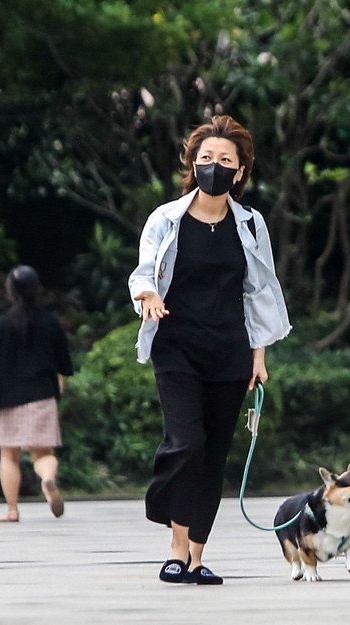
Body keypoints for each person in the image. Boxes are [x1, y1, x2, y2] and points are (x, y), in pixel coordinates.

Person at [128, 115, 290, 585]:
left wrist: (259, 356)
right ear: (191, 164)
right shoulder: (166, 217)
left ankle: (194, 557)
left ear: (239, 172)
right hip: (176, 348)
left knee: (214, 454)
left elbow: (259, 292)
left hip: (230, 352)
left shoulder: (251, 224)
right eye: (205, 159)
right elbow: (142, 271)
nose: (214, 167)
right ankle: (172, 539)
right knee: (187, 443)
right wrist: (148, 295)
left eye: (224, 160)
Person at [0, 265, 74, 522]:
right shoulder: (50, 322)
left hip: (7, 399)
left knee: (9, 455)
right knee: (43, 453)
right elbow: (65, 363)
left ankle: (12, 510)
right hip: (42, 395)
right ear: (36, 289)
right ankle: (47, 480)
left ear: (9, 291)